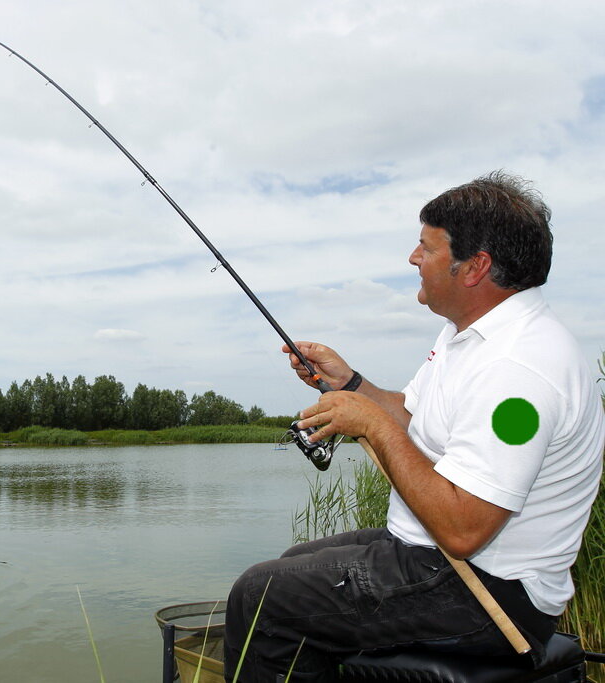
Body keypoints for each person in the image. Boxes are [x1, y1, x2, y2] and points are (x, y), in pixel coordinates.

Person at [223, 172, 604, 682]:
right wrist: (352, 385)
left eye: (426, 247)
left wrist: (374, 427)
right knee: (293, 563)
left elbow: (464, 528)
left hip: (490, 592)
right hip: (436, 556)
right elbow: (414, 417)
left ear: (475, 267)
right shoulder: (465, 337)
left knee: (260, 596)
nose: (412, 258)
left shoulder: (521, 373)